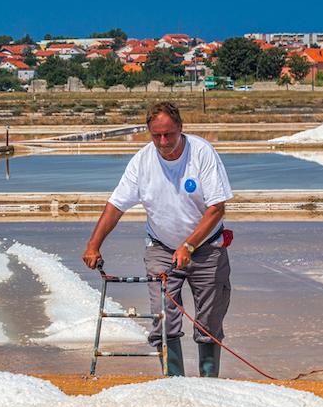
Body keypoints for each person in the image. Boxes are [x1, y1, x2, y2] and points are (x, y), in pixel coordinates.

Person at [82, 101, 233, 377]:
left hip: (207, 248)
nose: (163, 142)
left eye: (169, 134)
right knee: (164, 319)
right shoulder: (142, 161)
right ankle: (174, 383)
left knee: (209, 322)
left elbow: (216, 208)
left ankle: (210, 385)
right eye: (156, 136)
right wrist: (94, 244)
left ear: (180, 128)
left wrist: (189, 245)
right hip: (162, 249)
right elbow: (115, 206)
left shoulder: (201, 153)